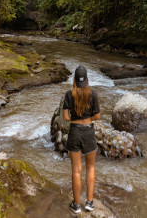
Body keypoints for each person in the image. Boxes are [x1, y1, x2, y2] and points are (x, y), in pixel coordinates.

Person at [63, 65, 100, 214]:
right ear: (87, 79)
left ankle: (76, 205)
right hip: (89, 132)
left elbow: (66, 117)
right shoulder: (93, 94)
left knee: (76, 171)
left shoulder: (68, 94)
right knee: (90, 167)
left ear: (74, 80)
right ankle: (89, 203)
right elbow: (97, 116)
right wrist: (86, 119)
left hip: (74, 132)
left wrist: (77, 118)